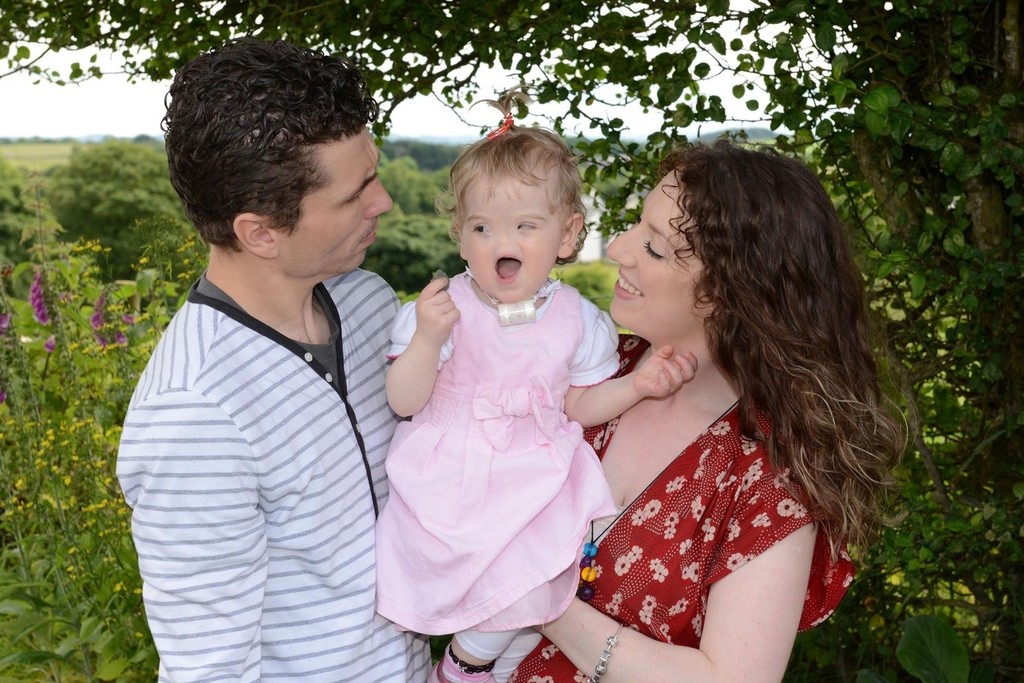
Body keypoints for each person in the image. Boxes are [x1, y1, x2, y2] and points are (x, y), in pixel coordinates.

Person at [509, 138, 905, 682]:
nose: (618, 248)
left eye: (654, 248)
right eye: (635, 226)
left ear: (728, 290)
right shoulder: (590, 369)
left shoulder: (769, 476)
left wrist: (546, 606)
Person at [115, 38, 430, 682]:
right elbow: (210, 669)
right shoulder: (196, 413)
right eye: (355, 195)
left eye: (373, 174)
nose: (383, 203)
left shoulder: (369, 302)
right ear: (260, 232)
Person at [373, 91, 696, 683]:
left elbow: (581, 406)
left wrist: (637, 387)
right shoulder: (442, 310)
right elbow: (403, 401)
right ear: (460, 236)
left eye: (526, 226)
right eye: (482, 227)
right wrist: (426, 340)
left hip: (536, 474)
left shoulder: (578, 319)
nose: (504, 243)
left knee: (539, 574)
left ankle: (476, 666)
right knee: (505, 584)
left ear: (566, 236)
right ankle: (466, 664)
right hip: (456, 477)